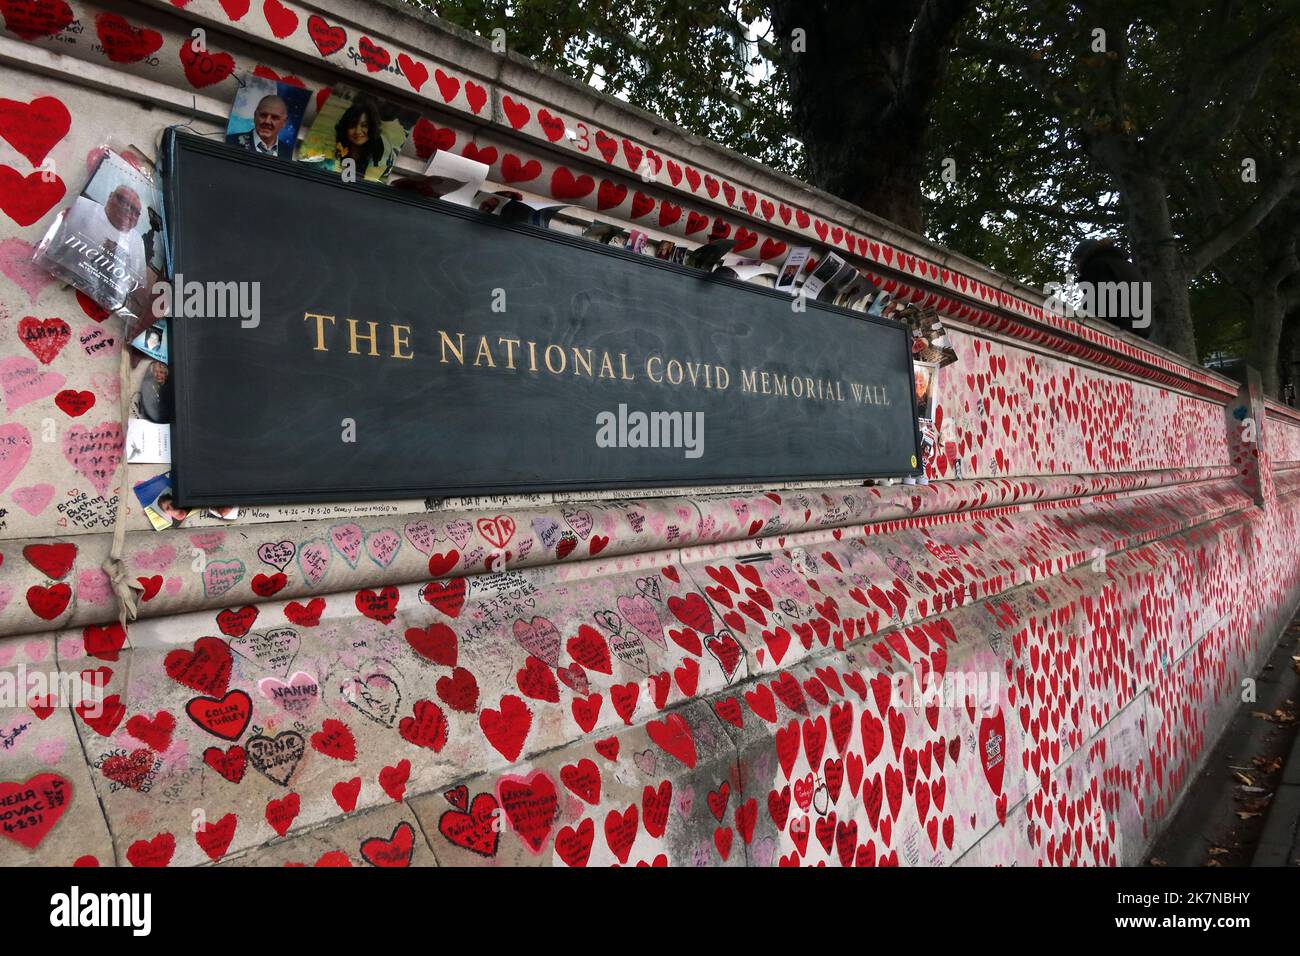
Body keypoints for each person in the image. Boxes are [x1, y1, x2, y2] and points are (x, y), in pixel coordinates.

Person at [45, 184, 148, 311]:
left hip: (102, 306)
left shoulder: (137, 242)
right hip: (54, 284)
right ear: (110, 196)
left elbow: (137, 287)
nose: (126, 209)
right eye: (121, 200)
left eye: (134, 210)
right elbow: (51, 249)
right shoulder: (81, 206)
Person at [332, 99, 388, 178]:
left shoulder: (380, 155)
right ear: (345, 127)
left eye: (364, 125)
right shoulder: (337, 149)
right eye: (352, 125)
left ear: (372, 127)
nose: (357, 131)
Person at [226, 94, 293, 158]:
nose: (267, 121)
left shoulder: (289, 154)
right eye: (263, 115)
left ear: (284, 122)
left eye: (274, 117)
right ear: (255, 116)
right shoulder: (230, 142)